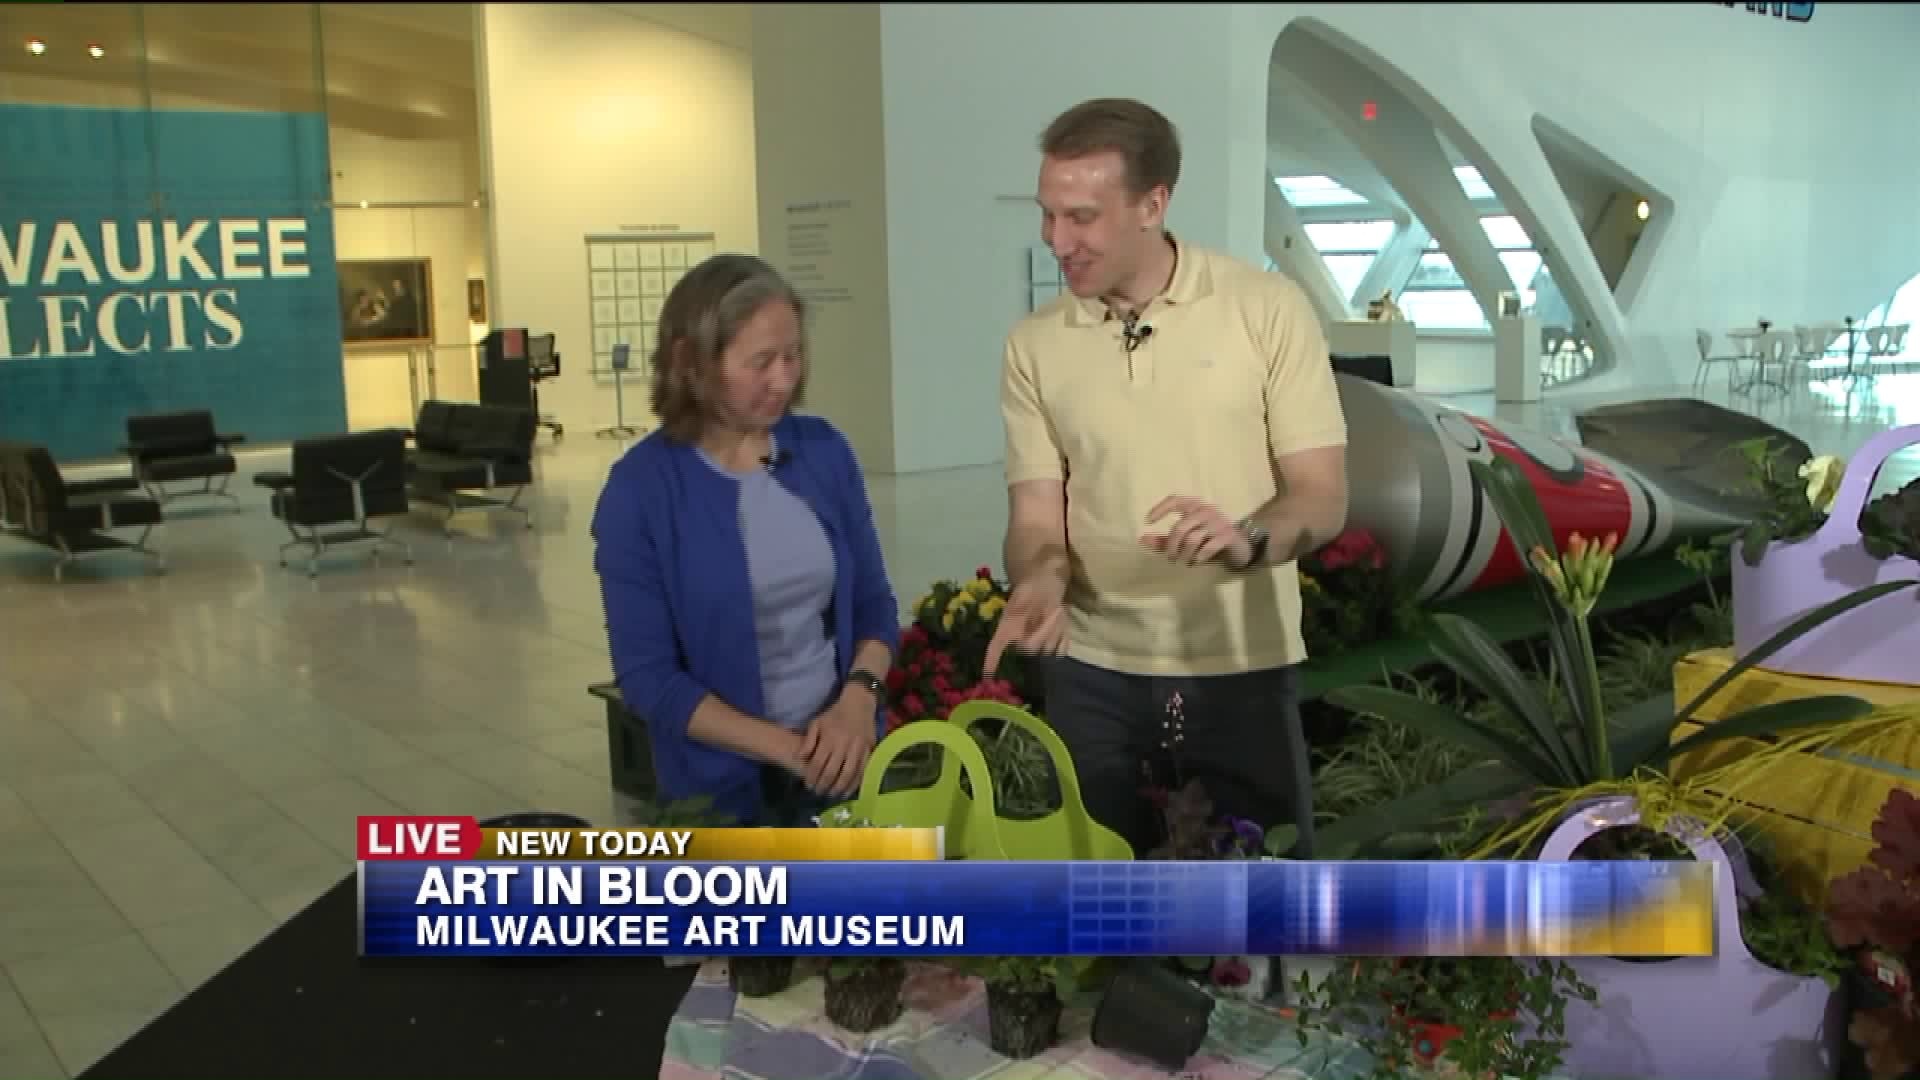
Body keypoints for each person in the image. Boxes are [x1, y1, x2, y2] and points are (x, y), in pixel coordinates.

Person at [984, 98, 1350, 858]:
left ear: (1153, 205)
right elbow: (1035, 517)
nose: (1056, 240)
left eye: (1081, 218)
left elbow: (1322, 496)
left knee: (1263, 894)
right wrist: (1041, 579)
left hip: (1237, 666)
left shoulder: (1266, 310)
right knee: (1104, 900)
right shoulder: (1033, 345)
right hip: (1090, 671)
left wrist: (1248, 538)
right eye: (1048, 214)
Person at [592, 254, 899, 828]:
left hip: (844, 768)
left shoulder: (823, 451)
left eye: (793, 356)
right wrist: (792, 751)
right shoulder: (640, 491)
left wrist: (859, 700)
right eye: (761, 362)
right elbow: (649, 679)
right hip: (719, 796)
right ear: (692, 364)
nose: (784, 380)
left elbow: (874, 604)